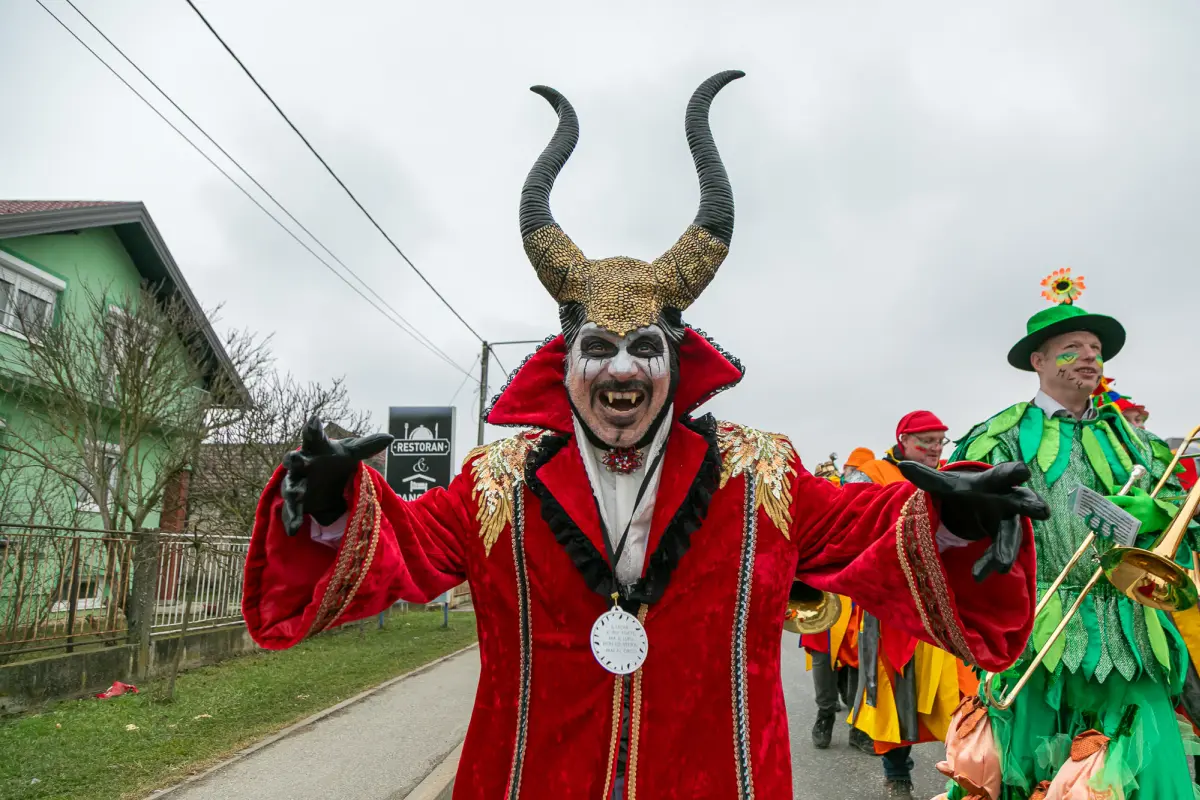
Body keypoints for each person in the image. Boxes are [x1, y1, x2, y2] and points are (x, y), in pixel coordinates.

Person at [241, 72, 1048, 800]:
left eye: (643, 349)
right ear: (562, 362)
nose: (620, 371)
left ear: (678, 360)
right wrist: (327, 506)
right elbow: (404, 547)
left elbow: (870, 531)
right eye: (598, 348)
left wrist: (957, 518)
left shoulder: (759, 473)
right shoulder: (498, 482)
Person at [937, 271, 1200, 800]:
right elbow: (950, 521)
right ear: (1038, 361)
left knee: (1137, 763)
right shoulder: (999, 435)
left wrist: (1158, 513)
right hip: (1035, 623)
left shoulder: (1135, 440)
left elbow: (1182, 511)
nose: (1089, 357)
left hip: (1130, 630)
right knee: (1024, 761)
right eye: (1071, 348)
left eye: (1096, 348)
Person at [844, 411, 981, 799]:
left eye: (940, 441)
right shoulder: (871, 473)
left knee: (961, 693)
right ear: (903, 439)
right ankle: (898, 775)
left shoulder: (953, 473)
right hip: (890, 604)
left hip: (945, 603)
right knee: (894, 693)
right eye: (927, 441)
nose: (936, 449)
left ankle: (965, 772)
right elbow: (850, 524)